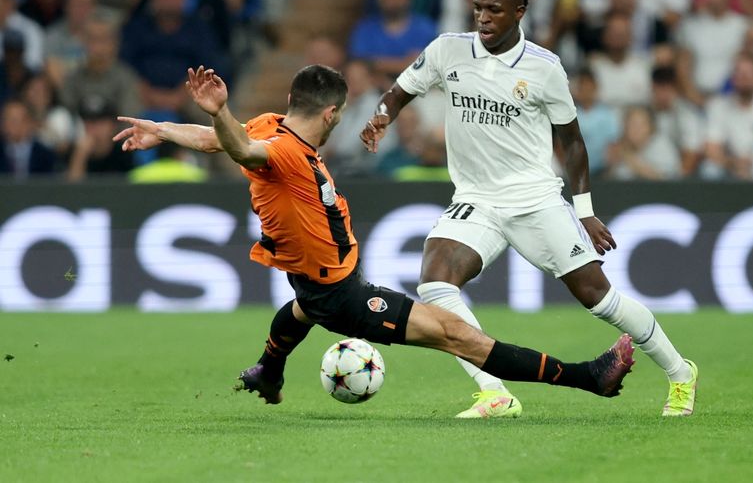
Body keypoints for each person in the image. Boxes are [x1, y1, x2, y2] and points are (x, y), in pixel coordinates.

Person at [113, 64, 636, 411]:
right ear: (332, 113)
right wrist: (218, 111)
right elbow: (240, 149)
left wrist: (162, 129)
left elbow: (222, 143)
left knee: (301, 310)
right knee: (461, 337)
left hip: (323, 285)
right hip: (342, 297)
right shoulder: (284, 151)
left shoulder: (273, 124)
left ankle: (269, 372)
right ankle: (590, 376)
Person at [359, 0, 698, 418]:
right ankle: (494, 392)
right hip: (475, 199)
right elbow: (400, 91)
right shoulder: (447, 51)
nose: (482, 17)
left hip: (535, 200)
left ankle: (680, 373)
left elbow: (572, 141)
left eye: (494, 10)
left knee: (600, 299)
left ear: (519, 11)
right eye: (477, 7)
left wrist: (585, 210)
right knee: (436, 281)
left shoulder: (544, 68)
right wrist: (382, 116)